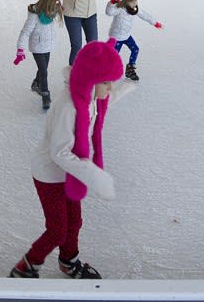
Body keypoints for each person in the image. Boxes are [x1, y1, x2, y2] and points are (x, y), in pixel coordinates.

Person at [9, 39, 134, 280]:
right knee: (57, 230)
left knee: (74, 221)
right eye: (107, 83)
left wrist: (121, 90)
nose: (109, 89)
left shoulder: (86, 96)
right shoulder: (69, 106)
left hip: (68, 172)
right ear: (91, 79)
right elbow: (59, 153)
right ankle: (26, 266)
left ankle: (68, 260)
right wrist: (94, 175)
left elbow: (100, 104)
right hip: (49, 173)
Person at [14, 0, 63, 110]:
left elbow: (59, 9)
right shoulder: (34, 17)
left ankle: (36, 83)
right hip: (37, 47)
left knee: (43, 68)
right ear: (46, 6)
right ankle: (45, 94)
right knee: (44, 71)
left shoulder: (52, 12)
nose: (53, 12)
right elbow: (25, 32)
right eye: (52, 9)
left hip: (47, 46)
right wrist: (20, 49)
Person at [106, 0, 162, 82]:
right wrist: (112, 2)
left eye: (136, 1)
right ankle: (108, 72)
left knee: (135, 49)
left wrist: (155, 23)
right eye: (133, 1)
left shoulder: (134, 9)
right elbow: (109, 12)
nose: (135, 3)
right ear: (126, 1)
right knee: (113, 56)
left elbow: (144, 15)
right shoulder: (119, 9)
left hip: (126, 36)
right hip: (116, 37)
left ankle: (130, 69)